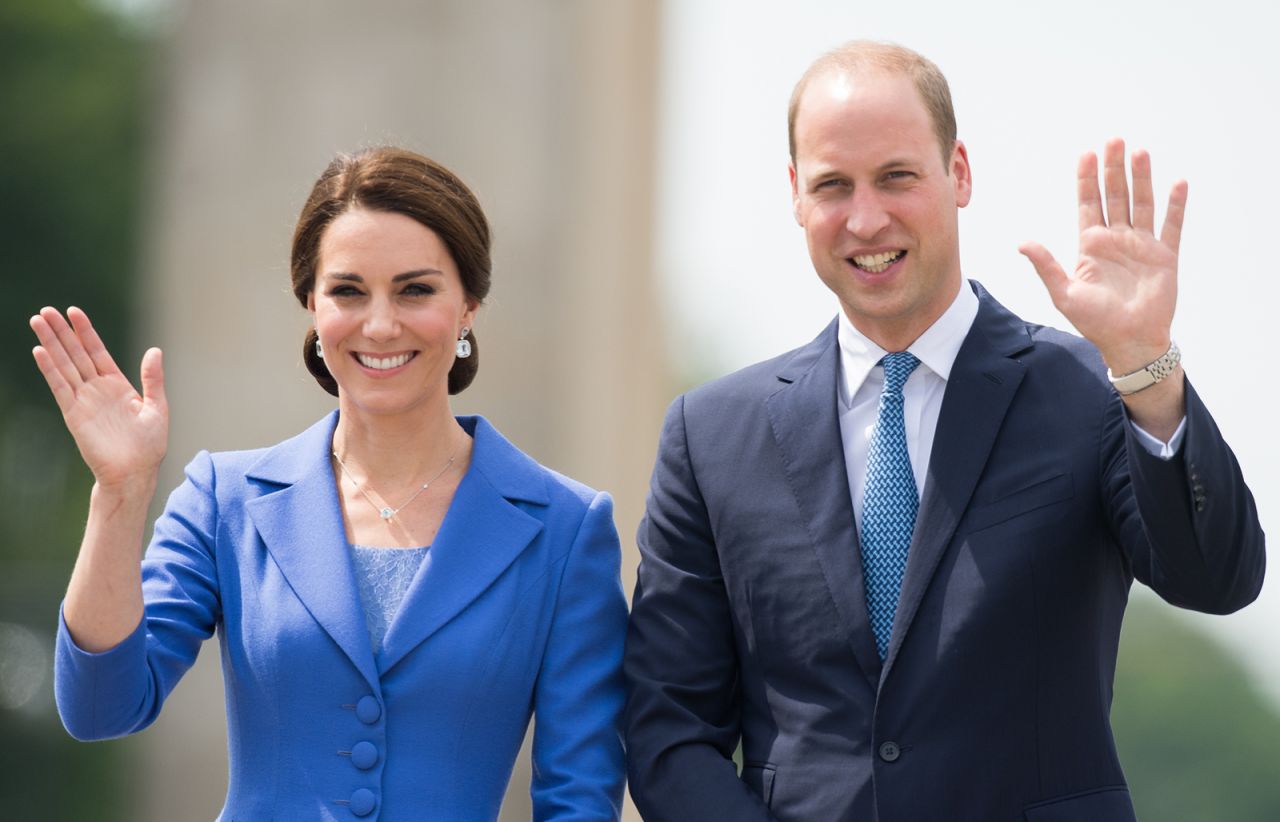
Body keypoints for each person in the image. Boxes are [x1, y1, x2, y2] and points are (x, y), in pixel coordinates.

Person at [623, 41, 1265, 821]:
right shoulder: (712, 435)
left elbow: (1217, 577)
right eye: (833, 186)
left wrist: (1146, 367)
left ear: (958, 172)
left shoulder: (1088, 389)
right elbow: (670, 730)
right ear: (795, 195)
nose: (866, 218)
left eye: (897, 176)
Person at [33, 146, 628, 821]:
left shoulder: (565, 529)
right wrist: (120, 493)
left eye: (416, 289)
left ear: (469, 305)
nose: (380, 324)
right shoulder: (224, 500)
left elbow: (579, 797)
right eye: (348, 291)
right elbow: (101, 707)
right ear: (312, 305)